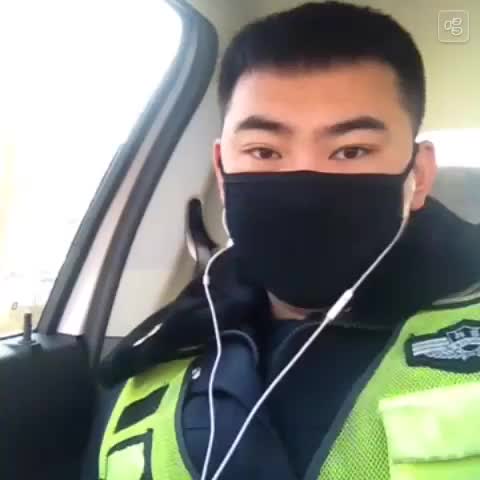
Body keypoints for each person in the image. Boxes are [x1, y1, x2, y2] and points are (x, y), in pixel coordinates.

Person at [85, 2, 480, 479]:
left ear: (418, 176)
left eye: (351, 151)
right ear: (223, 174)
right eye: (264, 151)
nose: (304, 187)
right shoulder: (145, 366)